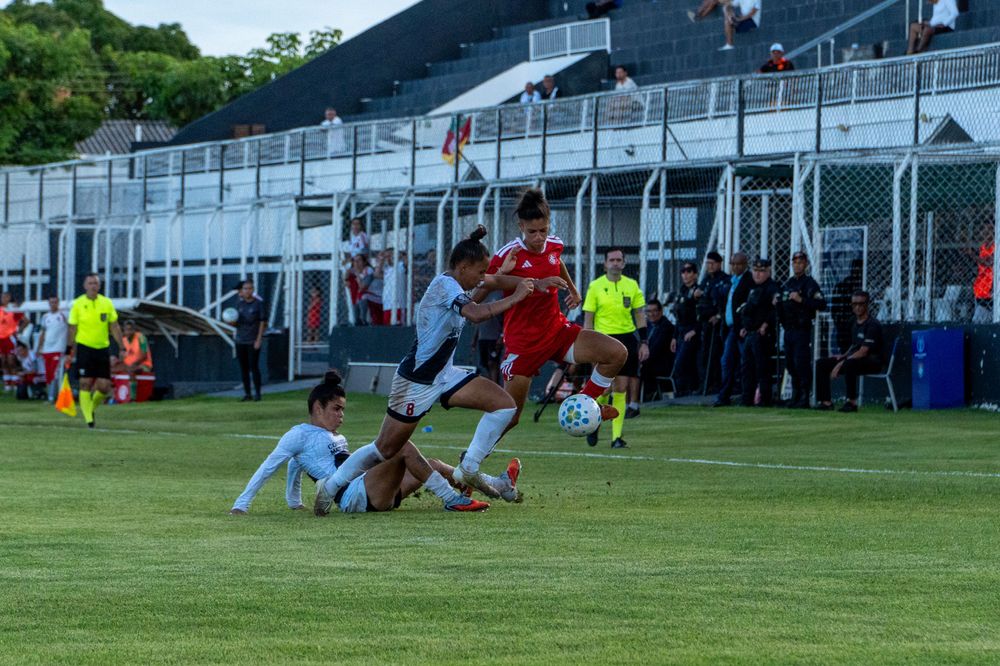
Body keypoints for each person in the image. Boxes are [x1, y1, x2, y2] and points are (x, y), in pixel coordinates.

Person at [313, 226, 534, 515]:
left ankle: (469, 468)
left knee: (505, 406)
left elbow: (482, 292)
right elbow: (476, 314)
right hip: (415, 381)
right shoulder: (445, 286)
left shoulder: (459, 284)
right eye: (480, 273)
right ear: (463, 267)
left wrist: (520, 282)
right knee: (385, 449)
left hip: (444, 375)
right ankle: (329, 488)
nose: (482, 278)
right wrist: (516, 296)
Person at [476, 188, 626, 440]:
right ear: (521, 226)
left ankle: (587, 401)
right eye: (532, 232)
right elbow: (480, 290)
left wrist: (573, 288)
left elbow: (558, 262)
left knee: (616, 353)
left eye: (543, 230)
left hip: (557, 332)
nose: (538, 237)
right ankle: (469, 463)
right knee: (510, 417)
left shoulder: (554, 244)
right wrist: (509, 273)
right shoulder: (507, 254)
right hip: (524, 344)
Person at [230, 372, 490, 514]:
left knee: (431, 464)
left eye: (343, 410)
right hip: (354, 496)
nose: (341, 416)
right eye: (336, 409)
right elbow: (271, 466)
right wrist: (241, 504)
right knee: (401, 446)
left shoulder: (336, 438)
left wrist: (294, 501)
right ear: (318, 407)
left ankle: (481, 485)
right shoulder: (299, 434)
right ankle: (451, 499)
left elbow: (297, 466)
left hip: (375, 490)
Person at [582, 248, 648, 448]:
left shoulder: (632, 285)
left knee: (621, 387)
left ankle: (616, 438)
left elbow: (639, 314)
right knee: (604, 386)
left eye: (619, 260)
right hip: (603, 339)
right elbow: (588, 318)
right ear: (605, 264)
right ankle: (594, 423)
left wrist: (644, 341)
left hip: (626, 339)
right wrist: (588, 343)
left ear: (624, 263)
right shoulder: (595, 286)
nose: (616, 263)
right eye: (612, 260)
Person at [67, 273, 124, 428]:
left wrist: (121, 346)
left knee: (104, 386)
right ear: (85, 286)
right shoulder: (78, 304)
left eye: (96, 283)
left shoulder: (106, 303)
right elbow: (72, 327)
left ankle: (90, 409)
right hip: (85, 347)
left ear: (99, 286)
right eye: (90, 283)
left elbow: (114, 326)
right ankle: (89, 421)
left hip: (102, 348)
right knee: (85, 383)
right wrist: (69, 349)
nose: (93, 286)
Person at [814, 291, 885, 412]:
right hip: (854, 359)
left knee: (849, 364)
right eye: (854, 304)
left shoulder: (872, 324)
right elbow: (854, 346)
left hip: (873, 361)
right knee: (821, 363)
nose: (857, 307)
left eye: (861, 304)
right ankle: (826, 402)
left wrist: (841, 363)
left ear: (867, 305)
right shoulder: (852, 322)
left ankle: (851, 402)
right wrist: (843, 356)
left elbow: (863, 351)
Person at [775, 252, 827, 408]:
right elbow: (782, 302)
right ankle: (796, 394)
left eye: (800, 262)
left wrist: (801, 300)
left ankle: (805, 395)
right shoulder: (788, 283)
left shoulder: (809, 284)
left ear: (805, 265)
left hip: (801, 329)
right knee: (790, 363)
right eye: (795, 262)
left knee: (801, 363)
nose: (797, 265)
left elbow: (821, 303)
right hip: (788, 329)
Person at [740, 258, 779, 407]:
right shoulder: (751, 288)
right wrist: (745, 326)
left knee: (762, 368)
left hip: (762, 335)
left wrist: (766, 324)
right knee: (747, 368)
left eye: (761, 271)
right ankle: (746, 399)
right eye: (755, 271)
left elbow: (775, 309)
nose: (758, 274)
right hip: (750, 333)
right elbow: (748, 310)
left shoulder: (772, 287)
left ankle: (764, 399)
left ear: (768, 271)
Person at [714, 252, 751, 406]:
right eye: (733, 264)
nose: (735, 267)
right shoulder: (730, 281)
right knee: (726, 361)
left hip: (741, 328)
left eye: (738, 264)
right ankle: (724, 396)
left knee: (745, 362)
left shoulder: (748, 281)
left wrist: (745, 325)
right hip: (731, 328)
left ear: (745, 265)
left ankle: (747, 396)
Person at [695, 251, 730, 394]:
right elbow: (699, 294)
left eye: (712, 264)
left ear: (719, 264)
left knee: (716, 355)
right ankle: (705, 384)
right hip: (704, 323)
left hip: (717, 324)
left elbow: (726, 302)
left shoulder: (725, 280)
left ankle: (716, 384)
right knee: (704, 355)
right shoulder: (706, 280)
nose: (709, 266)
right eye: (707, 264)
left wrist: (719, 316)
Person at [670, 262, 700, 395]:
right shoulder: (681, 291)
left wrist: (695, 330)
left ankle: (689, 390)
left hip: (692, 330)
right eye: (683, 271)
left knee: (685, 361)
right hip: (681, 331)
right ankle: (681, 391)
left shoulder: (697, 291)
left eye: (689, 271)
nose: (686, 274)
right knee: (680, 362)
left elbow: (701, 314)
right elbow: (678, 317)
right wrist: (674, 337)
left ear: (695, 274)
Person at [234, 278, 266, 402]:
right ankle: (247, 394)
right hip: (240, 340)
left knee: (254, 367)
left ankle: (258, 393)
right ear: (242, 291)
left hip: (252, 340)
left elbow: (262, 322)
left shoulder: (258, 304)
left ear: (253, 290)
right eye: (245, 289)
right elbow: (236, 323)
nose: (248, 291)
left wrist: (258, 339)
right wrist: (232, 322)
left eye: (250, 288)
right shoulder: (239, 304)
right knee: (244, 368)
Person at [640, 298, 675, 401]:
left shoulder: (666, 327)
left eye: (654, 311)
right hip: (649, 360)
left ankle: (646, 395)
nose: (651, 314)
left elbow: (656, 349)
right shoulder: (648, 326)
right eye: (648, 311)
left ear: (661, 311)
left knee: (640, 369)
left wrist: (642, 358)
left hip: (662, 364)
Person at [36, 295, 68, 402]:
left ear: (58, 303)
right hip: (47, 349)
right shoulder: (45, 317)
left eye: (55, 302)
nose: (53, 304)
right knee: (48, 373)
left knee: (55, 372)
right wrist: (39, 347)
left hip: (58, 348)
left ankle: (54, 396)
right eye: (51, 302)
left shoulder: (63, 315)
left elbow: (71, 329)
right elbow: (43, 333)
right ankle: (50, 395)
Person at [831, 259, 864, 354]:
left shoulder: (863, 286)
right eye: (855, 268)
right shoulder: (842, 286)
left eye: (859, 269)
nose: (857, 271)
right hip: (844, 328)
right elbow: (835, 309)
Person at [472, 291, 504, 385]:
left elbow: (505, 318)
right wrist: (474, 339)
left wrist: (501, 336)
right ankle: (492, 386)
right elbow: (478, 319)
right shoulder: (480, 295)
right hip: (483, 337)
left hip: (494, 336)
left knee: (492, 363)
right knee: (485, 364)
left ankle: (495, 387)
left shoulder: (500, 294)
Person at [971, 221, 994, 324]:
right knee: (980, 321)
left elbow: (989, 262)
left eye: (990, 229)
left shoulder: (996, 246)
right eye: (984, 229)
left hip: (992, 290)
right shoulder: (982, 247)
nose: (987, 232)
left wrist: (971, 255)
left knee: (980, 320)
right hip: (981, 290)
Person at [379, 249, 408, 325]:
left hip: (399, 304)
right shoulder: (386, 269)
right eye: (386, 256)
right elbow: (377, 274)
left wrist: (402, 254)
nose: (388, 258)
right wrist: (381, 260)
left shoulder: (400, 265)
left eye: (390, 255)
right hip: (387, 304)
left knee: (399, 327)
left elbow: (407, 262)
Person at [0, 291, 21, 391]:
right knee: (3, 360)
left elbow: (24, 320)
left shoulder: (13, 309)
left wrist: (17, 331)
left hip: (10, 338)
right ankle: (7, 383)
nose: (4, 299)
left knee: (11, 360)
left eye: (6, 297)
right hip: (1, 338)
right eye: (2, 297)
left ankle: (15, 382)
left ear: (9, 298)